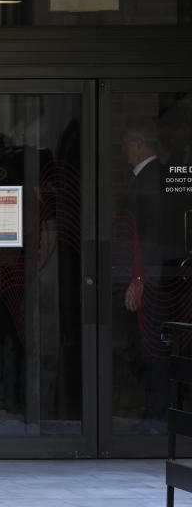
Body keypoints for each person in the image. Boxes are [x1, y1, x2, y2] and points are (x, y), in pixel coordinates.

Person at [119, 123, 186, 433]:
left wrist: (141, 279)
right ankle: (156, 413)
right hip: (161, 276)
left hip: (156, 279)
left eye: (125, 144)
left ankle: (159, 417)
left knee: (154, 347)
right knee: (152, 347)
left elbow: (151, 236)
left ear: (139, 143)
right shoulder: (158, 177)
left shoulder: (151, 179)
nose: (122, 152)